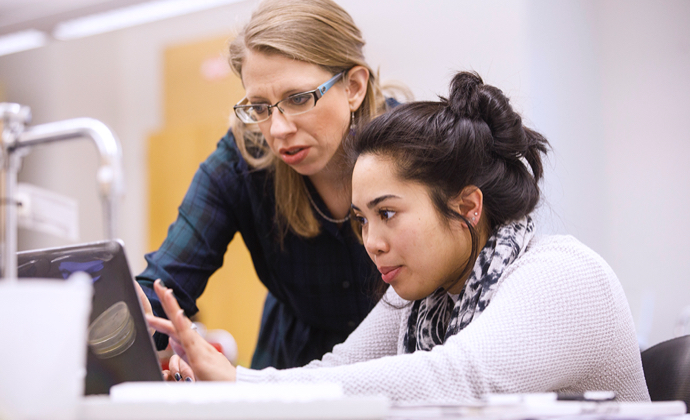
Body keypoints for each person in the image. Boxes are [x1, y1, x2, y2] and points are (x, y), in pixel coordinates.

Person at [146, 71, 651, 403]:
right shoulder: (424, 295)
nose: (372, 241)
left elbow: (454, 381)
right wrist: (222, 381)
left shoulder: (562, 274)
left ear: (468, 207)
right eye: (363, 220)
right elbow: (339, 368)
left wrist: (237, 387)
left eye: (388, 213)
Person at [136, 0, 397, 369]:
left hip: (402, 366)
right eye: (259, 106)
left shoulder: (413, 152)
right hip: (289, 367)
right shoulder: (240, 161)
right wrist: (127, 312)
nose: (278, 129)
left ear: (353, 87)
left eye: (299, 98)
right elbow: (167, 284)